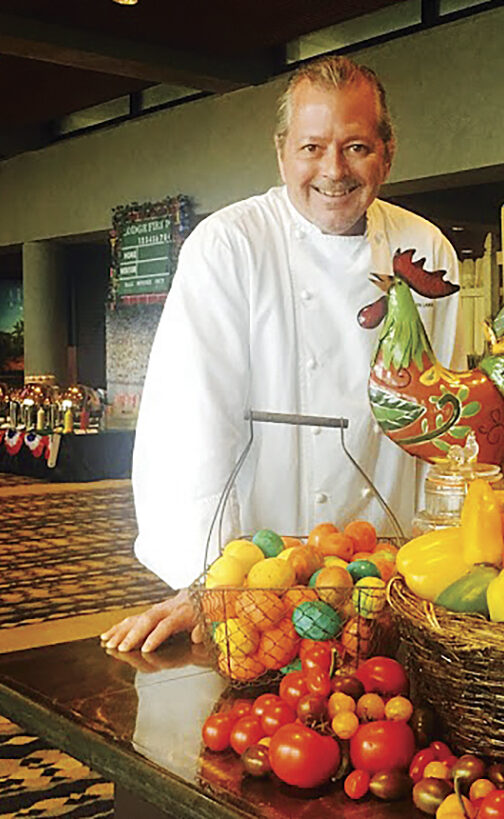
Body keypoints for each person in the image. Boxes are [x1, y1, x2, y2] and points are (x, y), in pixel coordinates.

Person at [102, 55, 462, 652]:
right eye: (312, 148)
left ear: (388, 152)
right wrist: (208, 583)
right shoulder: (228, 246)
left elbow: (441, 428)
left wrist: (443, 565)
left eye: (356, 148)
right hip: (258, 591)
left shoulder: (425, 248)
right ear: (281, 152)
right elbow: (191, 424)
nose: (333, 171)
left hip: (386, 579)